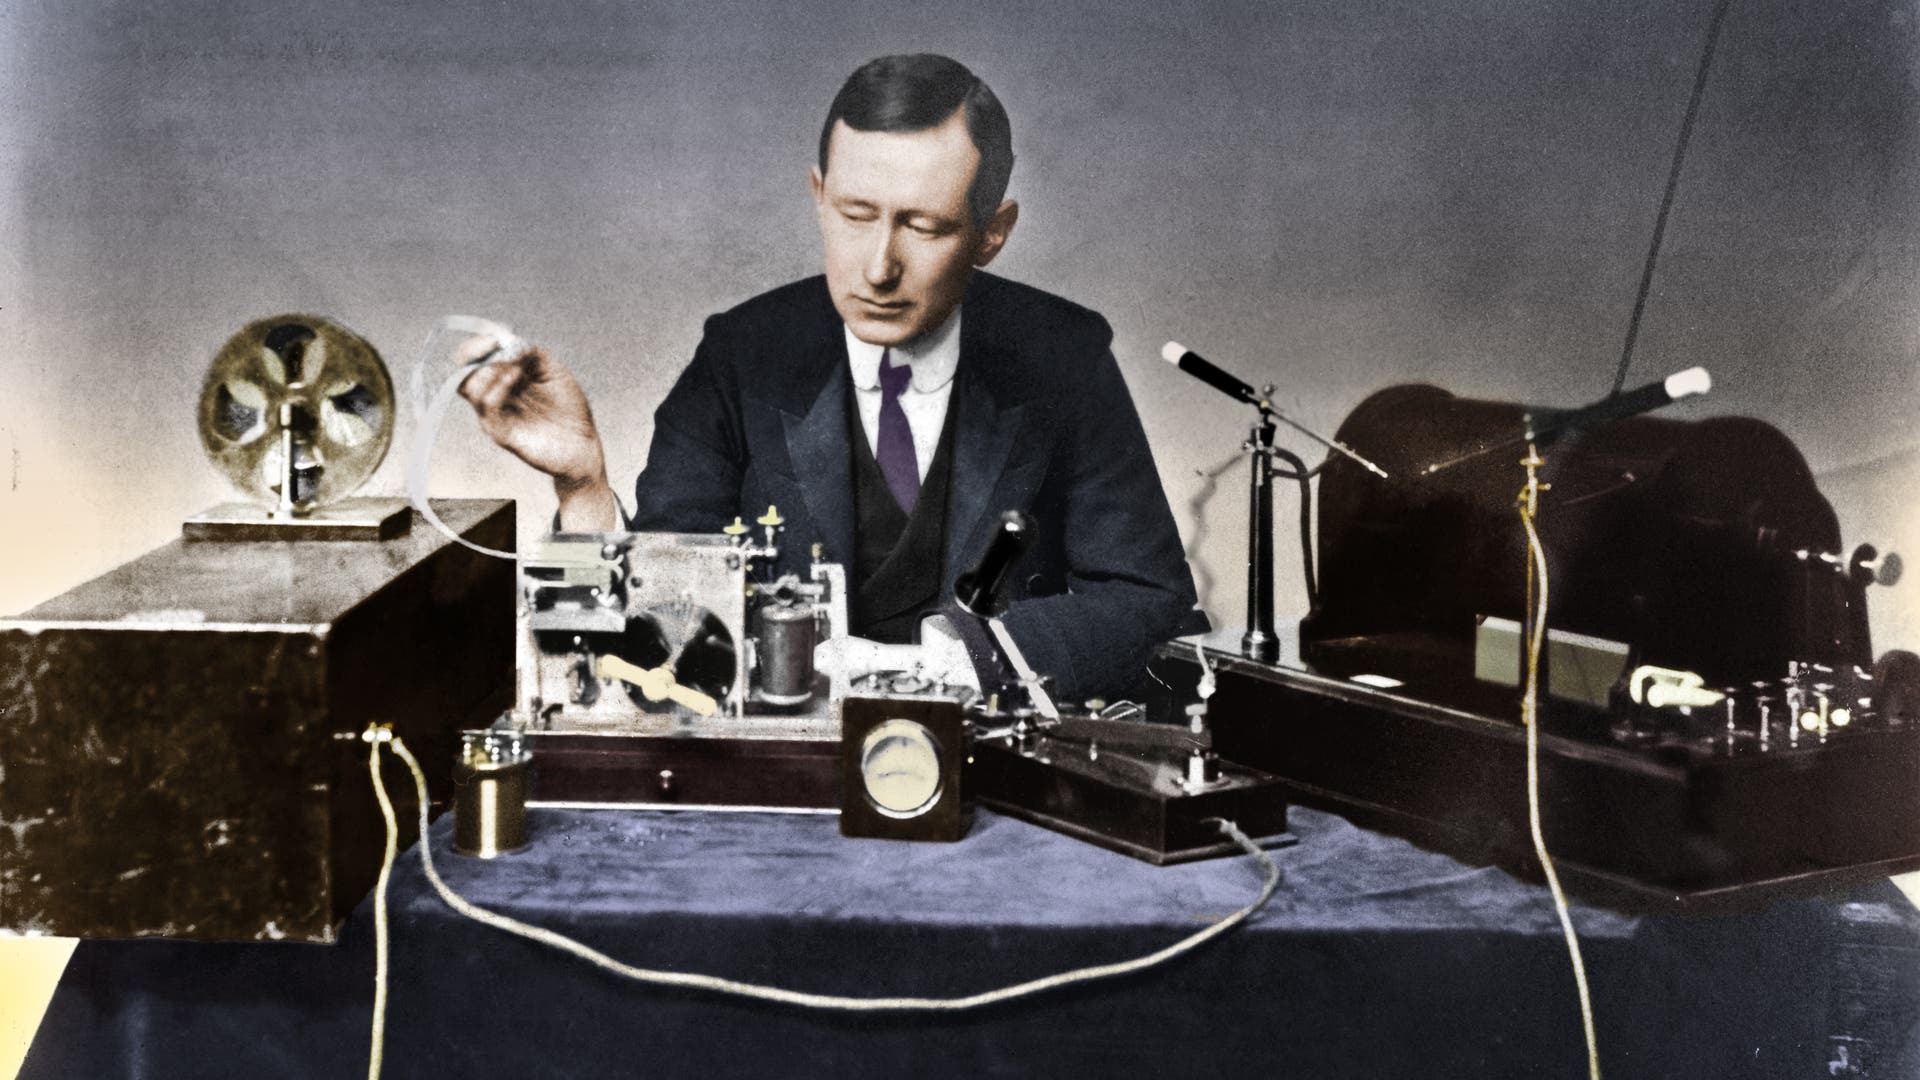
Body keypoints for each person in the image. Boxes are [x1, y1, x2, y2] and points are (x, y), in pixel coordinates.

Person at [459, 53, 1203, 700]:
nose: (878, 267)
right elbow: (655, 632)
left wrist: (959, 664)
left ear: (992, 234)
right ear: (818, 195)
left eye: (924, 226)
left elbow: (1148, 600)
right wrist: (582, 489)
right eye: (854, 214)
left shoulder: (1063, 355)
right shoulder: (740, 354)